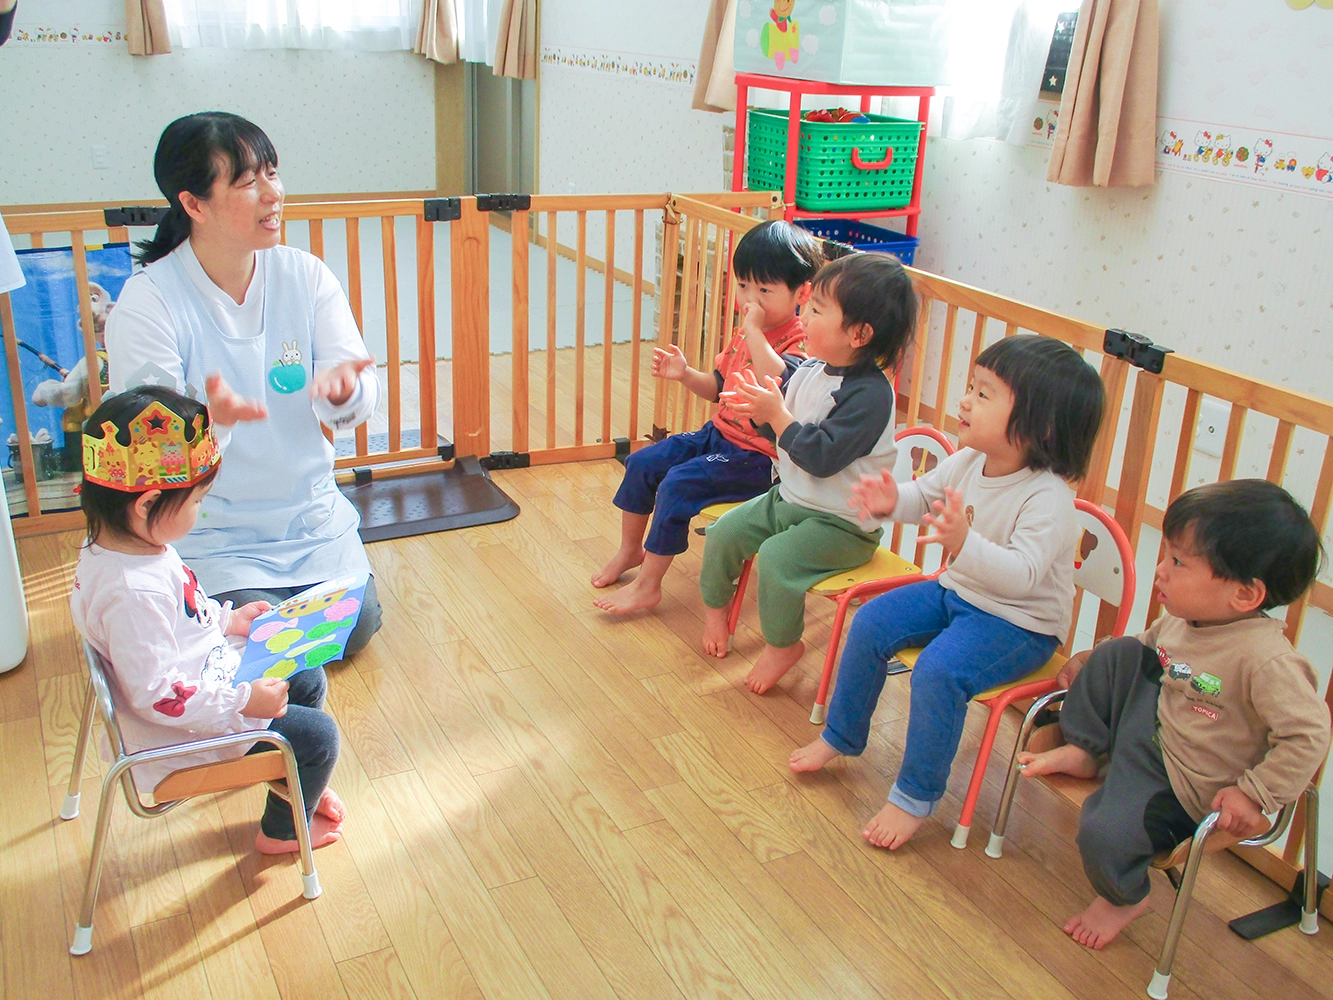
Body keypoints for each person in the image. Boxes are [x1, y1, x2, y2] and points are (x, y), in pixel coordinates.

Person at [790, 335, 1106, 853]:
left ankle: (914, 797)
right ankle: (841, 736)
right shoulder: (968, 461)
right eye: (970, 387)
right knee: (870, 622)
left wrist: (965, 542)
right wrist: (891, 500)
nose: (964, 400)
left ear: (1039, 426)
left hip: (1018, 624)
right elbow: (923, 496)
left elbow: (1023, 576)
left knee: (939, 671)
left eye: (984, 394)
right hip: (959, 592)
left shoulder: (1048, 497)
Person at [105, 112, 382, 656]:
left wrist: (344, 395)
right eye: (247, 182)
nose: (271, 194)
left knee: (358, 625)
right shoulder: (149, 302)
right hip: (210, 529)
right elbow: (152, 455)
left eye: (272, 173)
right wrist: (213, 423)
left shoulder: (304, 275)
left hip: (308, 515)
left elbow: (355, 385)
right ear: (193, 204)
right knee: (262, 632)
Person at [1018, 479, 1330, 950]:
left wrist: (1255, 794)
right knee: (1119, 651)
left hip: (1183, 785)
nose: (1160, 571)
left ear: (1244, 596)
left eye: (1178, 562)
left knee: (1103, 834)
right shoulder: (1184, 622)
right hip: (1152, 730)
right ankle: (1086, 748)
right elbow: (1142, 658)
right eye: (1166, 555)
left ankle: (1124, 897)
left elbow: (1309, 733)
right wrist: (1093, 661)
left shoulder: (1267, 661)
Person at [70, 386, 345, 854]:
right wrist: (243, 703)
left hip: (204, 677)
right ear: (146, 504)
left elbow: (183, 615)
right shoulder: (131, 592)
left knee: (308, 674)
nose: (200, 511)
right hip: (177, 733)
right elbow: (161, 698)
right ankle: (282, 829)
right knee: (318, 737)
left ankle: (293, 783)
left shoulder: (129, 548)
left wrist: (228, 620)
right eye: (197, 501)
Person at [697, 252, 916, 694]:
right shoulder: (815, 369)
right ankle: (715, 609)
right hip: (792, 500)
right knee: (724, 532)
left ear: (859, 333)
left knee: (777, 558)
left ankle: (784, 645)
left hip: (842, 525)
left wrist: (775, 415)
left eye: (816, 309)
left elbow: (819, 455)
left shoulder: (871, 396)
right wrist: (759, 409)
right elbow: (782, 407)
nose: (804, 316)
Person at [592, 221, 821, 614]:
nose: (751, 298)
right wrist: (685, 374)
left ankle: (649, 585)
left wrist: (754, 331)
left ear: (801, 292)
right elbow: (717, 386)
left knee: (678, 483)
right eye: (744, 286)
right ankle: (631, 551)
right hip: (717, 435)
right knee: (645, 461)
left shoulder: (801, 338)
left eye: (764, 290)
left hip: (757, 459)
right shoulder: (745, 332)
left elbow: (780, 377)